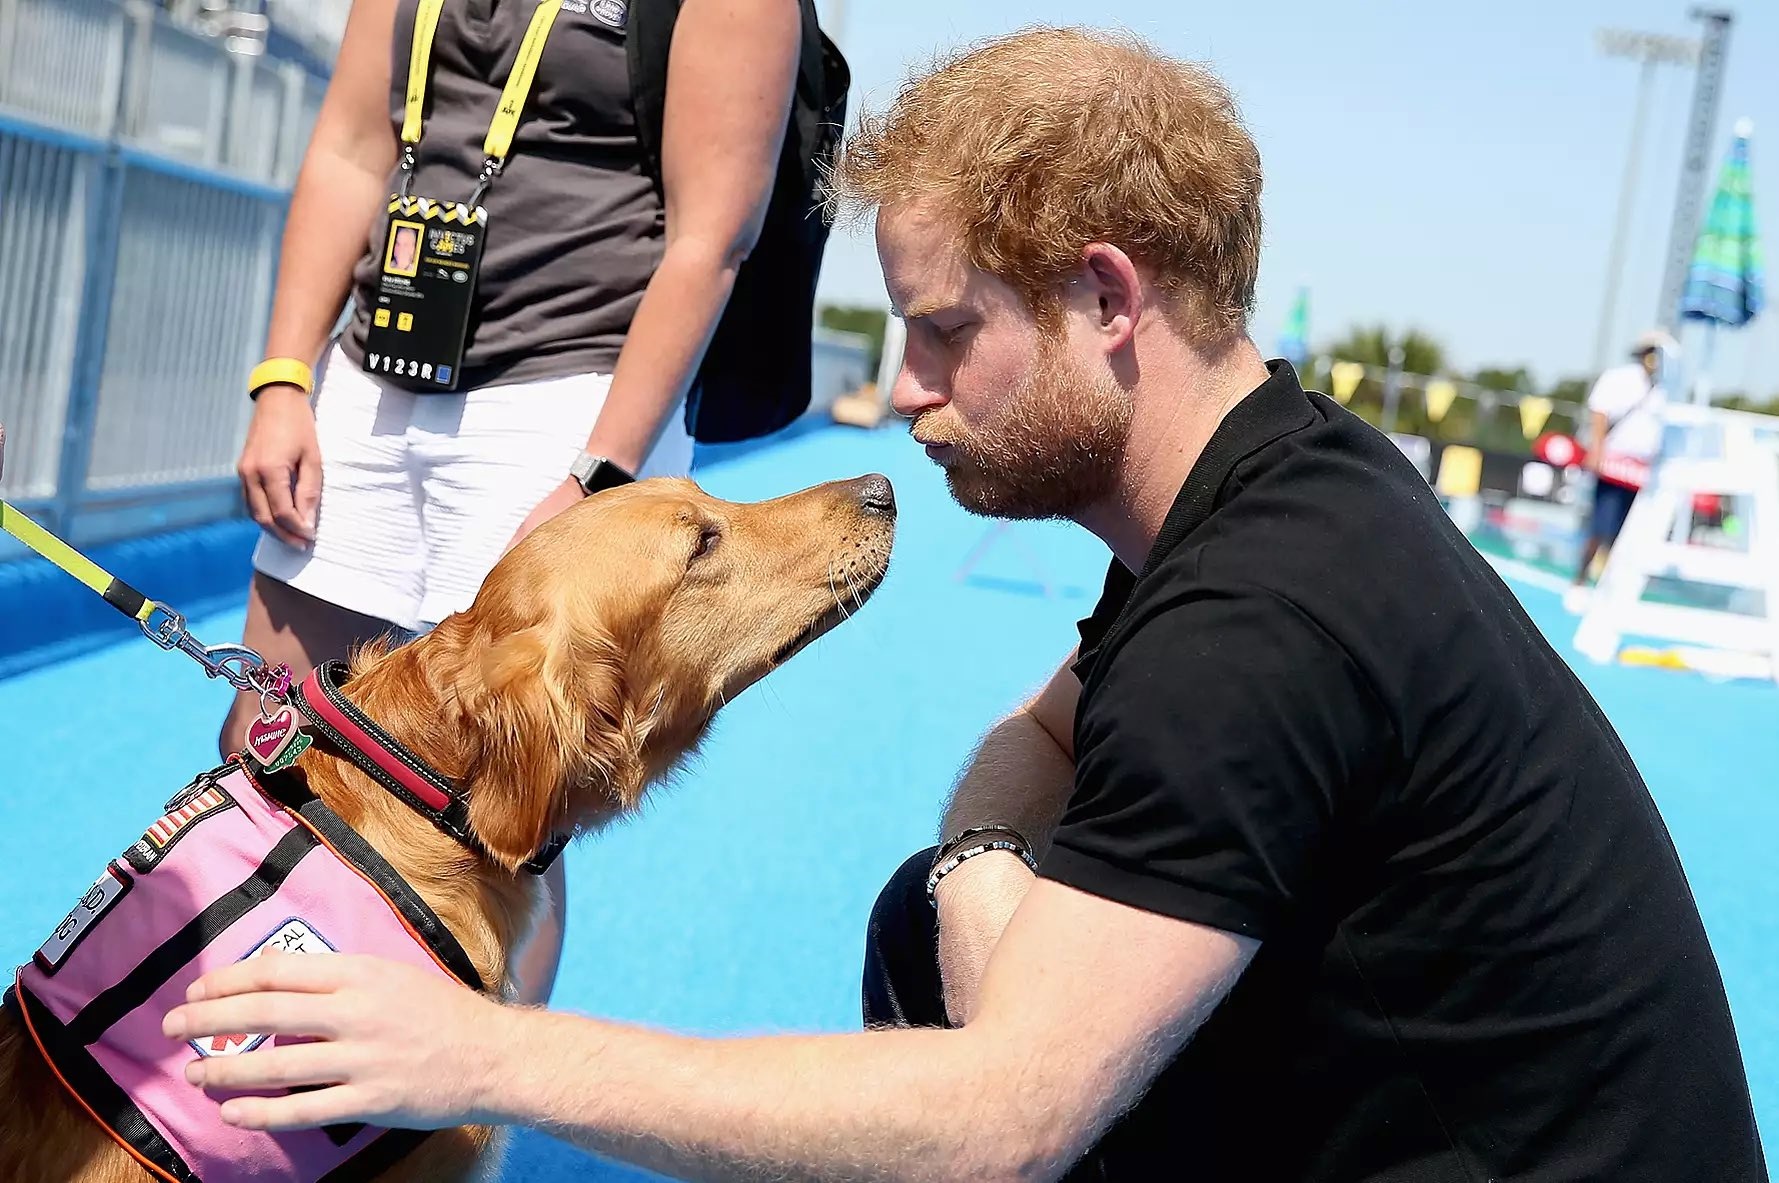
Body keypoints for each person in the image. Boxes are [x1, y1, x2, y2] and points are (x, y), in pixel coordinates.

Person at [165, 28, 1768, 1182]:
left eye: (941, 332)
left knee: (967, 1061)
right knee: (928, 925)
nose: (907, 393)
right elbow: (1037, 730)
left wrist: (475, 1050)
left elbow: (999, 1124)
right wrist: (974, 879)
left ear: (1106, 297)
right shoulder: (1288, 475)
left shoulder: (1256, 629)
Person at [221, 0, 808, 1002]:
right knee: (263, 744)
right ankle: (248, 1056)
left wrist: (599, 477)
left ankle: (469, 1104)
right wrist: (284, 377)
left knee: (508, 798)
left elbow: (710, 238)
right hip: (380, 368)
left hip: (569, 391)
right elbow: (354, 149)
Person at [1564, 330, 1674, 612]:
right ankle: (1579, 580)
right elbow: (1600, 412)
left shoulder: (1667, 388)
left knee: (1627, 533)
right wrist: (1597, 450)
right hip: (1614, 463)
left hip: (1644, 471)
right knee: (1601, 525)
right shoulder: (1620, 378)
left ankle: (1609, 589)